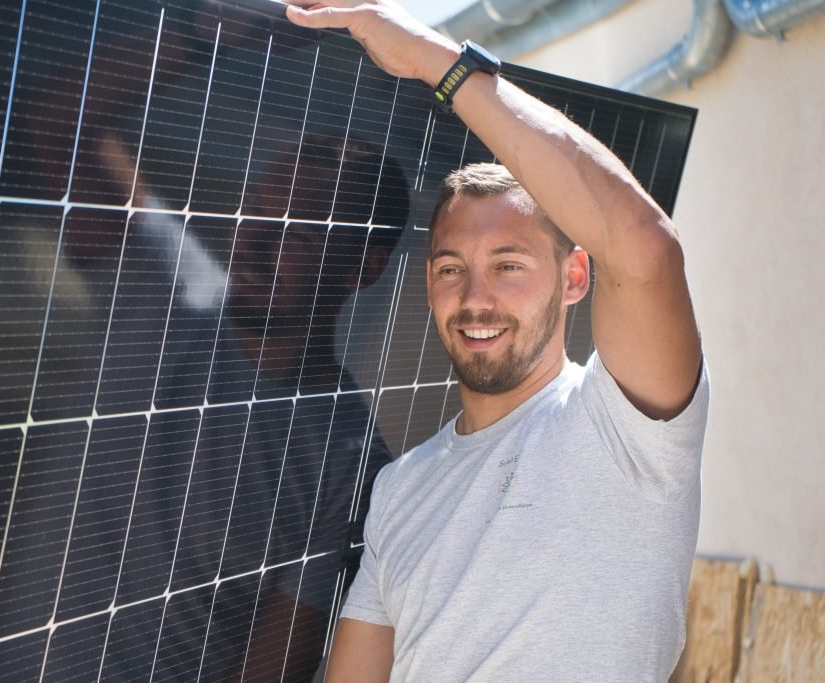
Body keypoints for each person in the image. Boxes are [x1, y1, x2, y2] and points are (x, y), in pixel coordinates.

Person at [284, 1, 710, 681]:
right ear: (429, 282)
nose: (476, 297)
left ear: (575, 276)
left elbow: (647, 247)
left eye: (509, 264)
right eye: (453, 268)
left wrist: (436, 64)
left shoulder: (625, 427)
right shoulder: (399, 487)